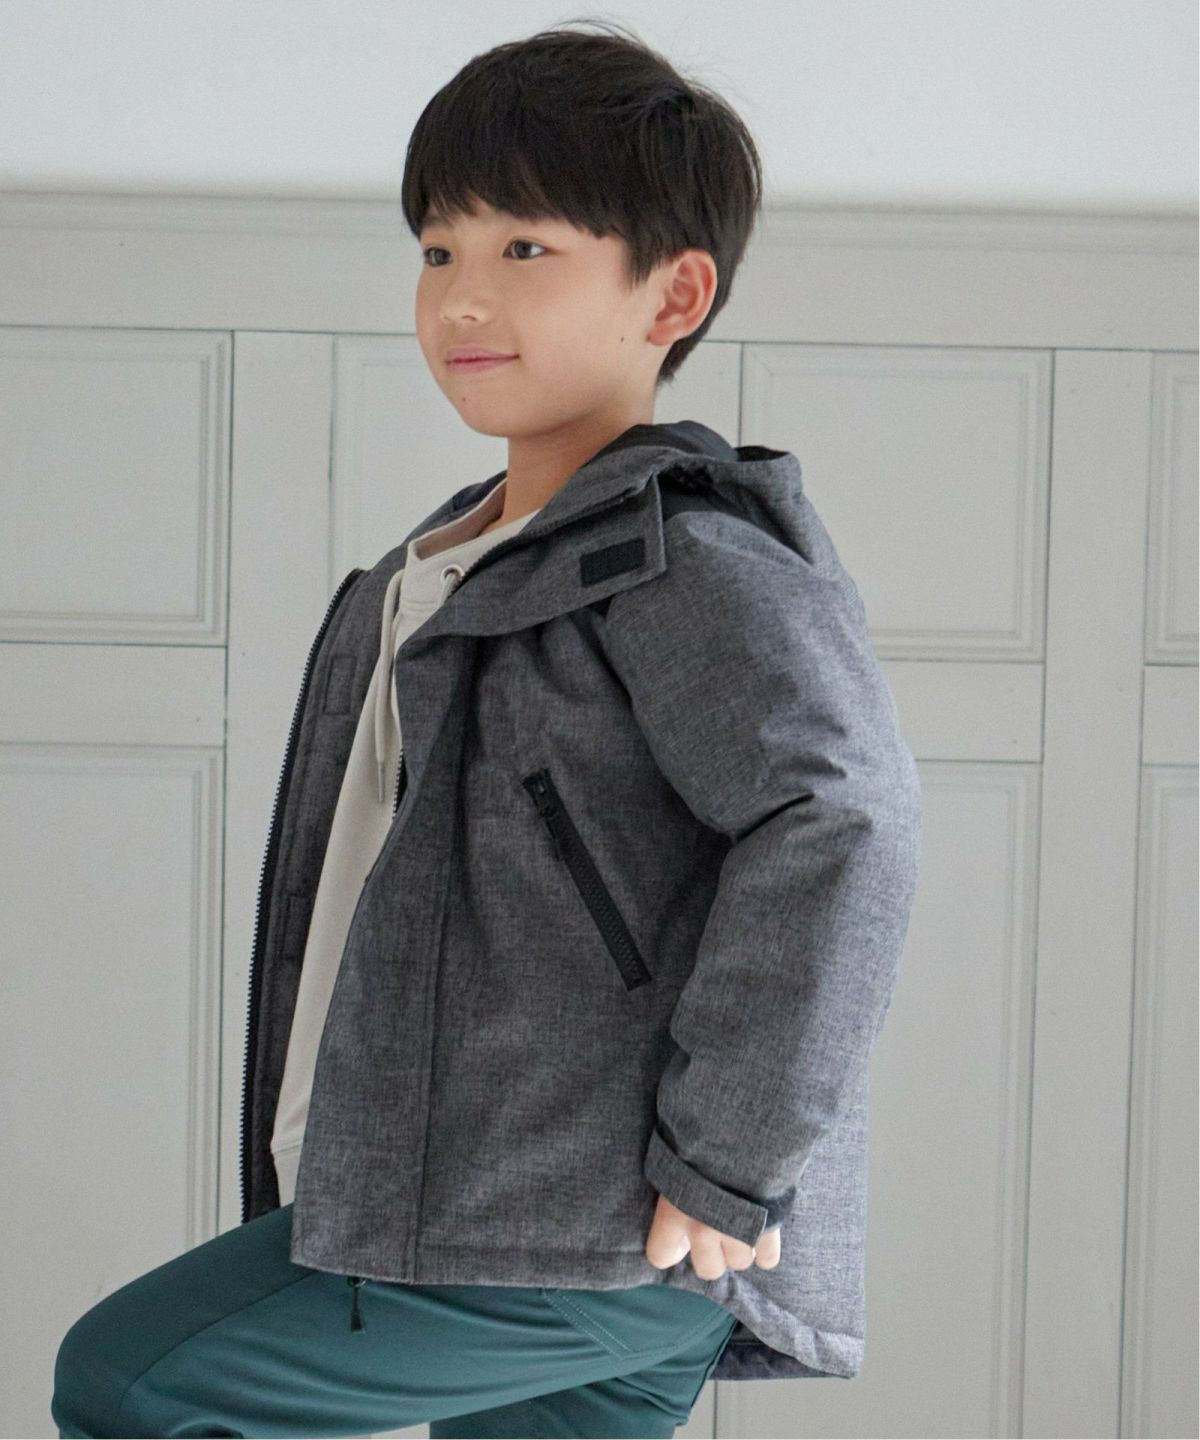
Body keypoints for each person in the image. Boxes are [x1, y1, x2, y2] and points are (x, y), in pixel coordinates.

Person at [51, 16, 922, 1439]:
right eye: (438, 249)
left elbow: (845, 822)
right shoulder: (437, 569)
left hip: (571, 1220)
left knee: (134, 1381)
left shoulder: (682, 556)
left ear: (673, 293)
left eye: (525, 248)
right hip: (510, 1214)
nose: (463, 297)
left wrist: (726, 1161)